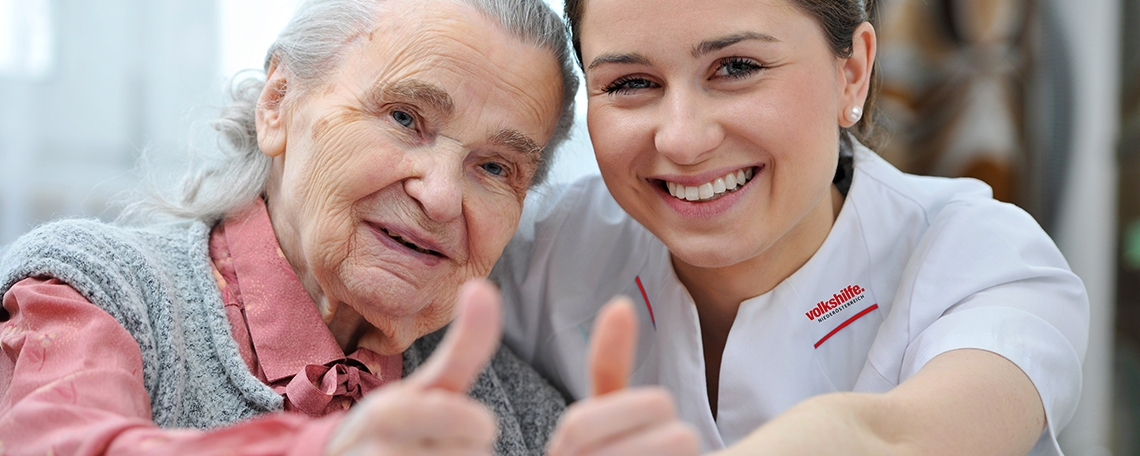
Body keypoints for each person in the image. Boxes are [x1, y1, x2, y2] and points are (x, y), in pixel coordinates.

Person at [0, 0, 699, 454]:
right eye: (404, 119)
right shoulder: (96, 291)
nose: (439, 196)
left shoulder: (521, 417)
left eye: (495, 168)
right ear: (278, 104)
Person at [492, 0, 1089, 454]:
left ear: (852, 72)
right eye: (630, 83)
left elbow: (895, 439)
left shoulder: (985, 261)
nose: (682, 138)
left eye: (737, 67)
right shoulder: (532, 253)